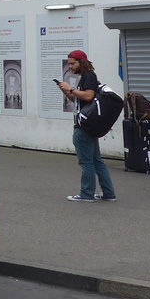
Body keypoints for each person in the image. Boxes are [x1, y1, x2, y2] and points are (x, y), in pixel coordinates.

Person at [56, 49, 117, 202]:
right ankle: (108, 194)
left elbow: (89, 96)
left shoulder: (89, 76)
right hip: (90, 126)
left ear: (81, 62)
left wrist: (71, 88)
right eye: (69, 64)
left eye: (72, 63)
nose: (70, 67)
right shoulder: (86, 77)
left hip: (84, 127)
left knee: (86, 162)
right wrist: (66, 91)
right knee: (96, 161)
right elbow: (78, 100)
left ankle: (86, 194)